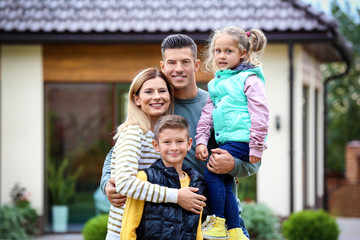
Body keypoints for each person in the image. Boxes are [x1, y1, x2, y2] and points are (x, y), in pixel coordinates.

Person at [100, 34, 261, 239]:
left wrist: (233, 166)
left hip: (219, 215)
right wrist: (106, 182)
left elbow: (253, 161)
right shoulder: (157, 104)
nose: (178, 69)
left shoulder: (218, 104)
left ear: (196, 65)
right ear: (163, 65)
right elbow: (118, 150)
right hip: (173, 217)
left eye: (185, 62)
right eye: (171, 63)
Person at [105, 67, 206, 240]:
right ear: (137, 99)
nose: (157, 96)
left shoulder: (161, 136)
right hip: (125, 231)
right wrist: (177, 196)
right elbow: (124, 184)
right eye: (148, 92)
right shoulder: (133, 133)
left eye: (162, 91)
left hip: (151, 229)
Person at [195, 26, 269, 240]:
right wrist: (200, 140)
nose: (221, 56)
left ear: (243, 53)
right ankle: (235, 231)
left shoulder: (250, 80)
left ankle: (218, 222)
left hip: (242, 139)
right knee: (225, 178)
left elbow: (261, 115)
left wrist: (256, 146)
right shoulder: (216, 83)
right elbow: (207, 116)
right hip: (228, 139)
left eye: (228, 51)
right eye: (218, 51)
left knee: (212, 170)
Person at [121, 115, 206, 240]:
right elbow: (128, 229)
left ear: (189, 144)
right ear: (156, 145)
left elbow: (197, 229)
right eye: (167, 142)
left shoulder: (196, 182)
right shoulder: (144, 178)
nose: (174, 147)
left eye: (180, 141)